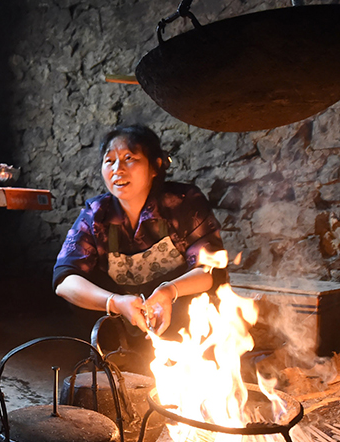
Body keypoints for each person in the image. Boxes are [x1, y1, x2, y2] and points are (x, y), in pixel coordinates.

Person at [53, 125, 226, 373]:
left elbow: (210, 270)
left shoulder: (183, 203)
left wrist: (168, 292)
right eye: (109, 161)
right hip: (121, 323)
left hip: (179, 320)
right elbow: (64, 279)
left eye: (129, 159)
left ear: (155, 166)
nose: (117, 169)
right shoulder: (96, 214)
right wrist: (115, 302)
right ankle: (110, 367)